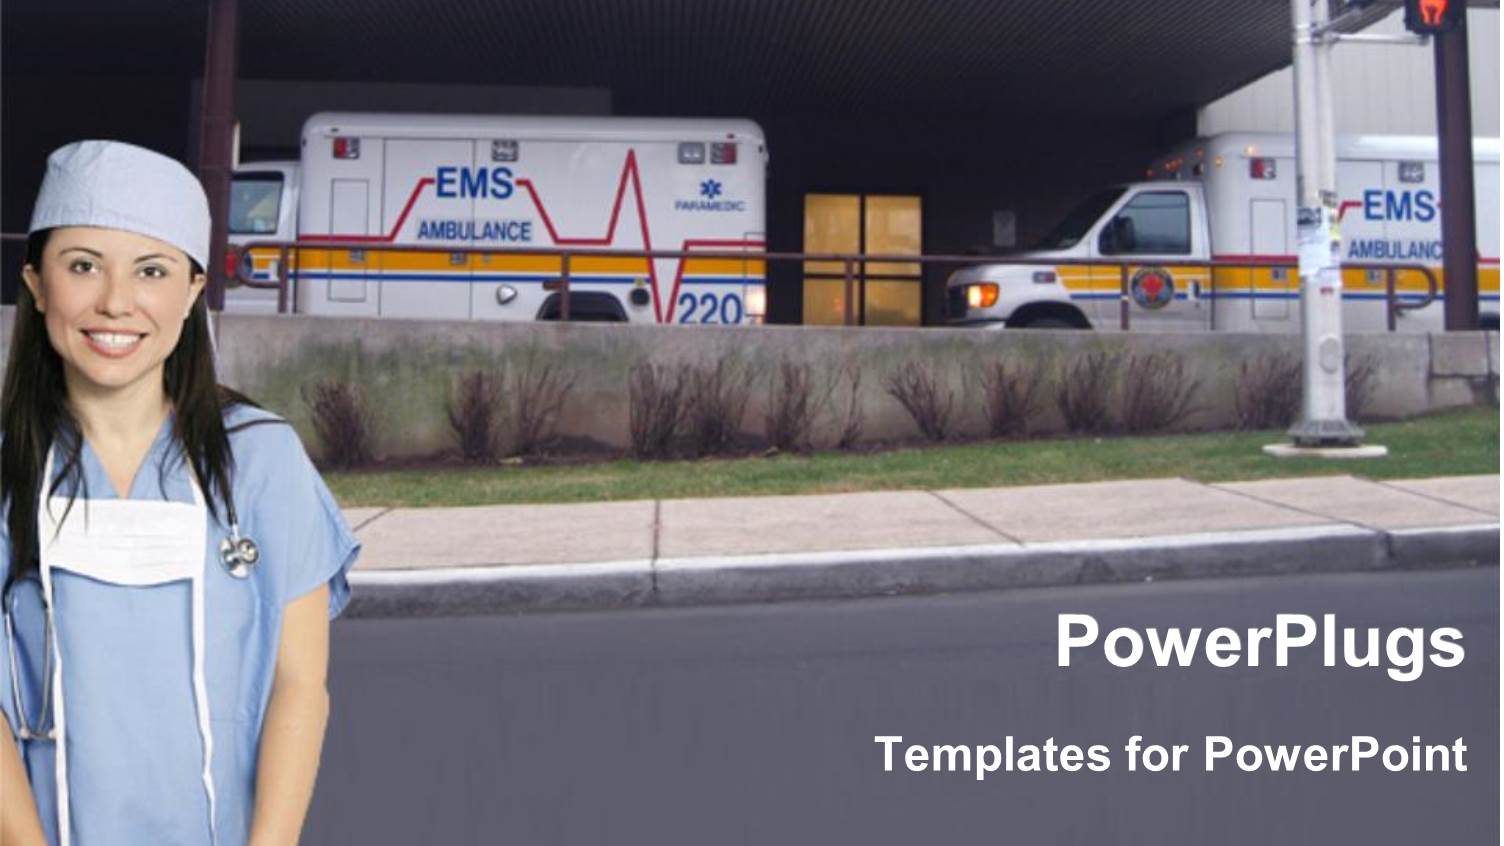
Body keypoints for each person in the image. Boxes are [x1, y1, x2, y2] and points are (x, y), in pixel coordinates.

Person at [0, 140, 360, 845]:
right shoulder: (8, 468)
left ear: (193, 291)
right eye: (82, 266)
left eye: (152, 271)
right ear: (39, 284)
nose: (115, 303)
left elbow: (299, 687)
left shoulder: (260, 459)